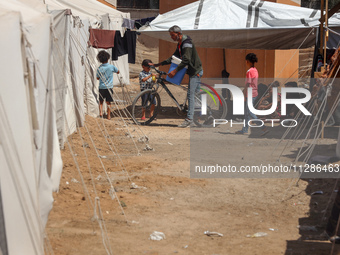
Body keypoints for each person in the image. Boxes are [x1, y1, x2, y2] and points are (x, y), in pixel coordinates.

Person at [150, 25, 203, 128]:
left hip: (195, 72)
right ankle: (205, 115)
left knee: (191, 96)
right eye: (171, 35)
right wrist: (159, 64)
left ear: (179, 34)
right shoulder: (180, 44)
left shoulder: (186, 44)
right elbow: (173, 58)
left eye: (172, 35)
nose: (171, 37)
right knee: (195, 96)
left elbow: (186, 60)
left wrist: (175, 71)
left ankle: (189, 120)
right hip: (194, 71)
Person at [236, 53, 268, 135]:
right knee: (247, 112)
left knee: (249, 112)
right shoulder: (255, 70)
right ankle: (245, 129)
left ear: (248, 61)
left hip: (250, 93)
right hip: (254, 93)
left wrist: (244, 94)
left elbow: (248, 84)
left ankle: (263, 127)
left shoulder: (249, 71)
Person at [96, 50, 119, 120]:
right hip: (109, 87)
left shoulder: (99, 68)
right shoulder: (111, 67)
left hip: (101, 87)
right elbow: (118, 71)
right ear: (108, 58)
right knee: (108, 102)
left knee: (101, 101)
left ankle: (100, 113)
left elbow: (97, 78)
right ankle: (108, 115)